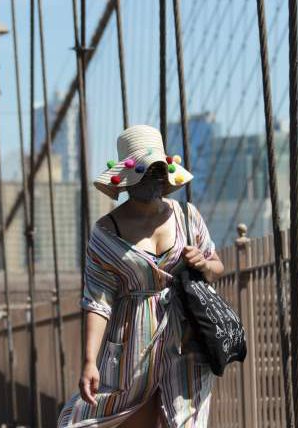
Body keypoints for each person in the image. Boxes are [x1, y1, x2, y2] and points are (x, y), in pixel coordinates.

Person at [58, 125, 225, 427]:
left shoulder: (187, 216)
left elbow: (217, 267)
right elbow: (97, 302)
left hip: (186, 339)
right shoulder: (106, 233)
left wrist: (202, 263)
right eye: (145, 172)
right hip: (132, 347)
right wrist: (89, 362)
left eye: (158, 171)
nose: (153, 179)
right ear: (127, 179)